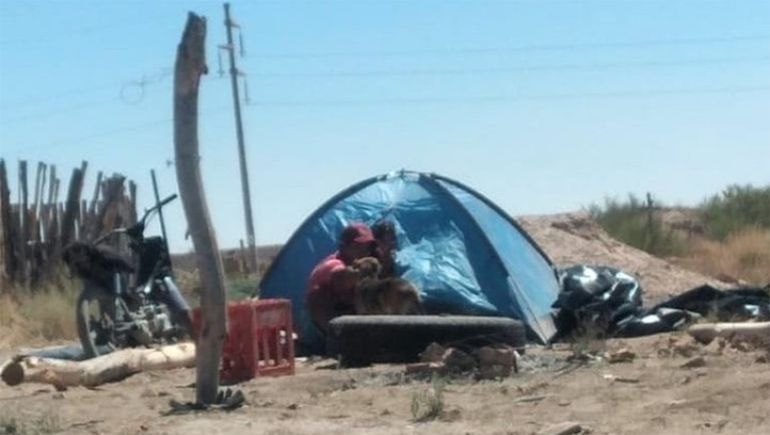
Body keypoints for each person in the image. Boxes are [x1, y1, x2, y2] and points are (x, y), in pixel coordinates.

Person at [306, 222, 377, 334]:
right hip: (318, 332)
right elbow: (343, 275)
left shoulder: (356, 262)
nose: (364, 251)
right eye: (358, 246)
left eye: (367, 247)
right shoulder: (332, 264)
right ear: (344, 246)